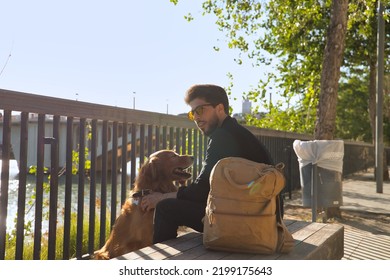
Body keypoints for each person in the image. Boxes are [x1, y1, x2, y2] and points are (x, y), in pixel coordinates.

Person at [141, 84, 273, 243]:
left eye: (200, 110)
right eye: (192, 113)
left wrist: (161, 197)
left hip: (243, 223)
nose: (196, 117)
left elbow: (200, 192)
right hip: (259, 217)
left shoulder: (222, 137)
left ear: (219, 108)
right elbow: (206, 189)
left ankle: (164, 264)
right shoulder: (236, 133)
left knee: (165, 207)